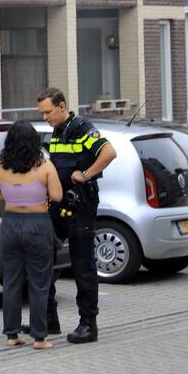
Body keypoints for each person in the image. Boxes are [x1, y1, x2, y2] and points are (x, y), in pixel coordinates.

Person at [37, 87, 117, 344]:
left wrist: (86, 174)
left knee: (82, 265)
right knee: (42, 256)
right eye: (42, 113)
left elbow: (109, 152)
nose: (45, 117)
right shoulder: (58, 131)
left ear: (62, 106)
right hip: (58, 204)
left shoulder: (82, 128)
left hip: (80, 205)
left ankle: (88, 324)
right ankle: (48, 318)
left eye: (48, 112)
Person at [0, 121, 63, 350]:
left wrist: (13, 196)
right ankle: (39, 338)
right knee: (39, 283)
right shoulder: (45, 166)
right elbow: (57, 196)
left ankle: (11, 334)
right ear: (34, 142)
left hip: (10, 224)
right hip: (38, 224)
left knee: (11, 281)